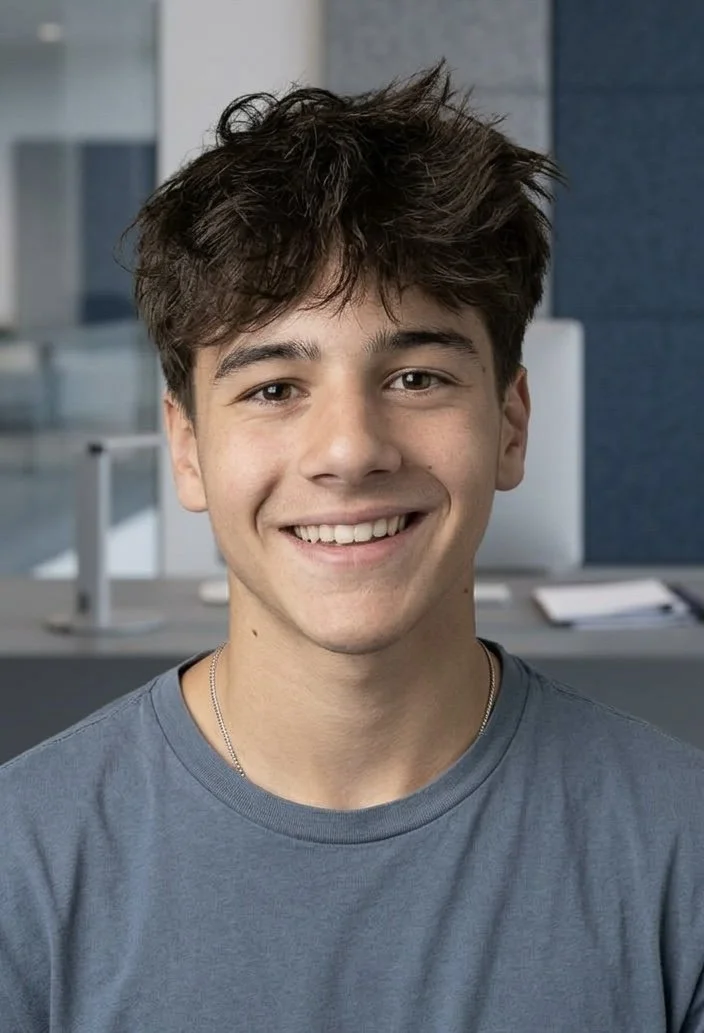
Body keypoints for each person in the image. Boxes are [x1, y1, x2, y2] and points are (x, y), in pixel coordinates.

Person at [1, 63, 703, 1032]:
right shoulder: (22, 868)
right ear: (187, 447)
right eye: (274, 387)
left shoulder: (681, 854)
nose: (349, 451)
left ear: (508, 422)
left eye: (415, 376)